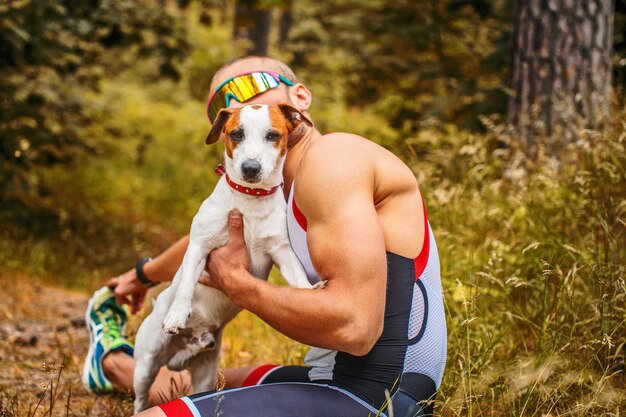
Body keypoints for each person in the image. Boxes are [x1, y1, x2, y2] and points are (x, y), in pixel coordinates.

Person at [82, 56, 447, 417]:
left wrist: (242, 287)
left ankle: (115, 362)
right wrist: (142, 274)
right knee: (182, 386)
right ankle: (112, 362)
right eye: (220, 107)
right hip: (328, 378)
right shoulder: (274, 189)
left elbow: (356, 328)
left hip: (376, 397)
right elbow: (206, 239)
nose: (235, 105)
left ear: (300, 98)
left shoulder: (334, 158)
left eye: (242, 88)